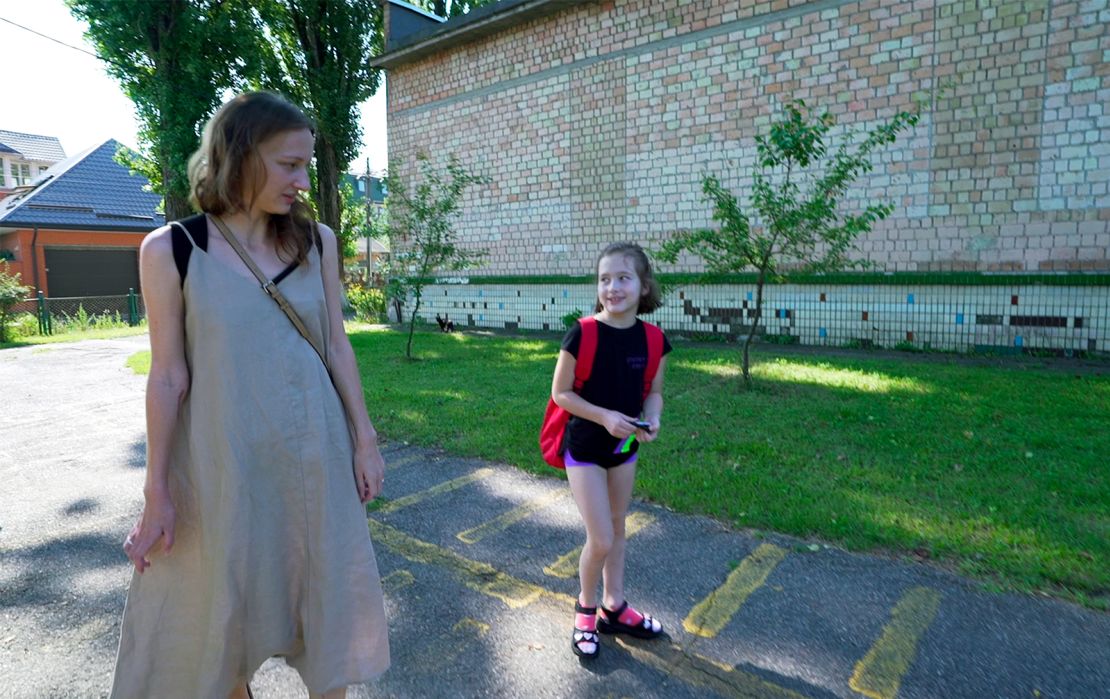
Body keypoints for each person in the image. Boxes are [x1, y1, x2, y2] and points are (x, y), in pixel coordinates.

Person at [110, 92, 390, 698]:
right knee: (224, 628)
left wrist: (364, 441)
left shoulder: (316, 241)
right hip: (223, 470)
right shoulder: (170, 251)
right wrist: (156, 492)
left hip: (316, 462)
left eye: (307, 166)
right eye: (289, 164)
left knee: (327, 624)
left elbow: (337, 346)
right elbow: (168, 377)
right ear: (239, 156)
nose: (302, 180)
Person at [549, 242, 671, 659]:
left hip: (624, 448)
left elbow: (653, 393)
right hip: (584, 448)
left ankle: (614, 606)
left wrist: (652, 418)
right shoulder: (582, 333)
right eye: (605, 279)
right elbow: (561, 394)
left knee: (618, 528)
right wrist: (603, 416)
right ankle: (585, 608)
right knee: (600, 536)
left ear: (643, 285)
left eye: (623, 278)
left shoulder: (654, 339)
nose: (613, 287)